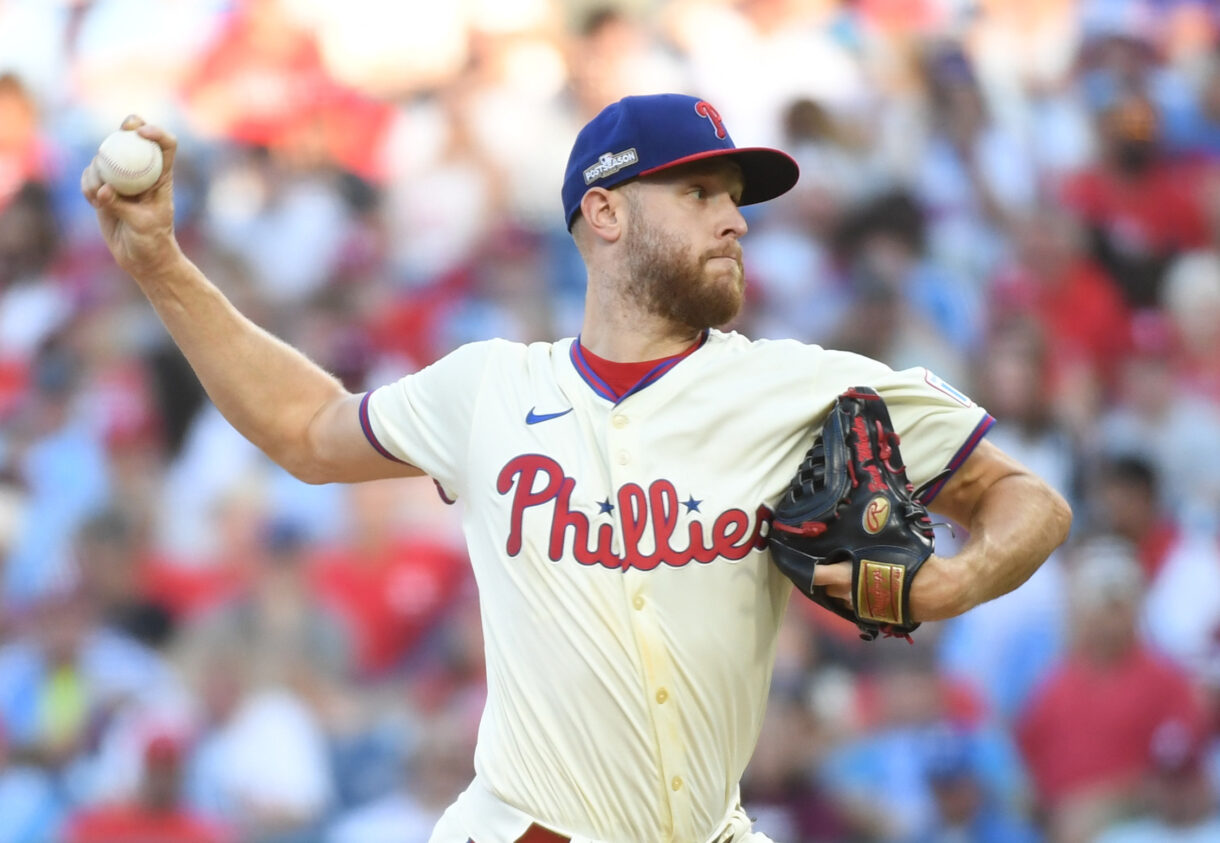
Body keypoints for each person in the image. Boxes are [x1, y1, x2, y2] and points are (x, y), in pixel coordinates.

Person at [81, 93, 1071, 843]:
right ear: (603, 214)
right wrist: (163, 267)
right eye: (696, 193)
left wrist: (947, 583)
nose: (732, 219)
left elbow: (1028, 501)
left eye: (733, 200)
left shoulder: (803, 388)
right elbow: (306, 430)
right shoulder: (488, 390)